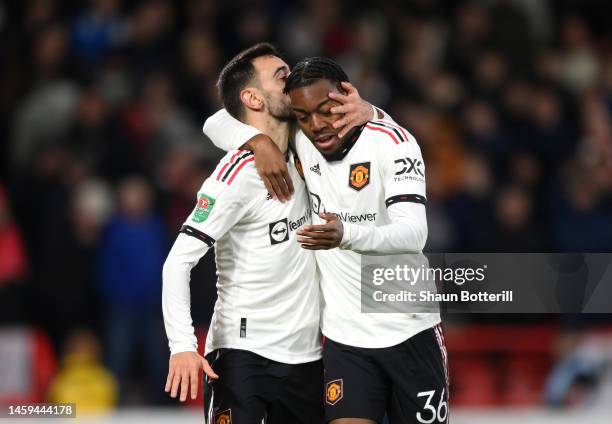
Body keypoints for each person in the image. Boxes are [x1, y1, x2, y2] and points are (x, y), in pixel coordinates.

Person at [203, 57, 449, 424]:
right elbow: (215, 121)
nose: (317, 124)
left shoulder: (393, 142)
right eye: (304, 115)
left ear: (347, 95)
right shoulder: (301, 139)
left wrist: (345, 234)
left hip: (409, 330)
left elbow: (414, 234)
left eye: (327, 110)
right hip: (345, 339)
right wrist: (257, 141)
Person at [162, 44, 375, 424]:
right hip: (244, 355)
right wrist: (181, 346)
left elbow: (217, 121)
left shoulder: (303, 144)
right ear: (252, 97)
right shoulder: (239, 174)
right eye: (281, 76)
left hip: (307, 358)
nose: (292, 81)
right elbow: (177, 261)